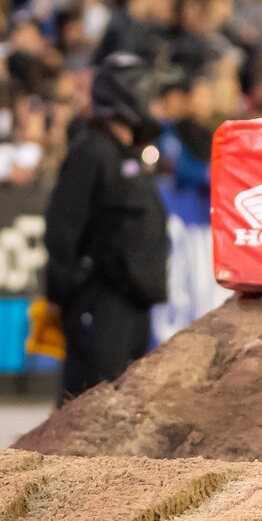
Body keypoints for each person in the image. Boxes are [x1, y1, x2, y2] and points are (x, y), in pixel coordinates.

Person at [42, 53, 168, 402]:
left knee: (121, 407)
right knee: (90, 402)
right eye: (148, 94)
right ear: (129, 95)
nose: (154, 104)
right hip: (100, 303)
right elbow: (62, 227)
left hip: (131, 304)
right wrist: (69, 289)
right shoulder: (93, 151)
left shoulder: (129, 154)